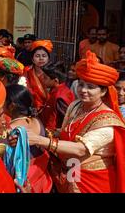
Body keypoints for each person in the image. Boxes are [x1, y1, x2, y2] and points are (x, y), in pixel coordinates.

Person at [26, 50, 125, 193]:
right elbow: (66, 131)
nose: (83, 90)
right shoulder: (76, 105)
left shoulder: (108, 121)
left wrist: (40, 140)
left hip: (94, 180)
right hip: (71, 172)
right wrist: (38, 133)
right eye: (81, 85)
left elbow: (80, 149)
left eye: (90, 87)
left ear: (103, 92)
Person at [5, 84, 52, 193]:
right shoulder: (36, 121)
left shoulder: (11, 129)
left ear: (11, 106)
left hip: (25, 181)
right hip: (42, 179)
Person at [40, 62, 75, 131]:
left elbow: (66, 120)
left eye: (45, 78)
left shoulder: (60, 96)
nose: (42, 79)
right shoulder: (55, 91)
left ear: (56, 80)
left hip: (54, 135)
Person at [24, 40, 53, 112]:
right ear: (32, 59)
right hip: (31, 108)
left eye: (44, 56)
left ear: (48, 58)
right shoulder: (27, 71)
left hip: (49, 109)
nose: (41, 58)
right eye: (37, 56)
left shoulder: (53, 72)